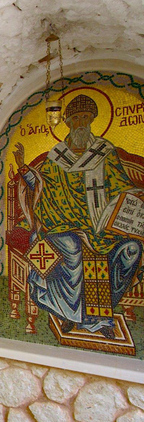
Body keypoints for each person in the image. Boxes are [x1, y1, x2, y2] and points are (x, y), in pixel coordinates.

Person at [14, 94, 143, 338]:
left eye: (86, 117)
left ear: (93, 120)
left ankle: (99, 316)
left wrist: (133, 201)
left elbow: (122, 188)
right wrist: (23, 167)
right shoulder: (57, 156)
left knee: (131, 250)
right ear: (68, 122)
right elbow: (41, 186)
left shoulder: (105, 152)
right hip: (62, 225)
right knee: (73, 248)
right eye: (75, 118)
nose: (81, 122)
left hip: (102, 227)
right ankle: (70, 314)